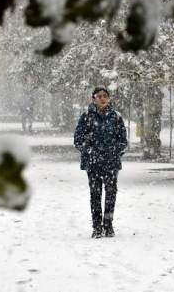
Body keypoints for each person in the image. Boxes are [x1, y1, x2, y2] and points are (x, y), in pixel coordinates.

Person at [74, 86, 127, 238]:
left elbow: (123, 140)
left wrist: (115, 151)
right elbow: (78, 139)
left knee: (111, 194)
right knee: (95, 195)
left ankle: (108, 225)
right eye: (99, 96)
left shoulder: (116, 117)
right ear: (94, 99)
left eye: (105, 95)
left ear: (109, 98)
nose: (103, 98)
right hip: (93, 163)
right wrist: (89, 150)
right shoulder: (86, 116)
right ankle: (97, 227)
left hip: (111, 162)